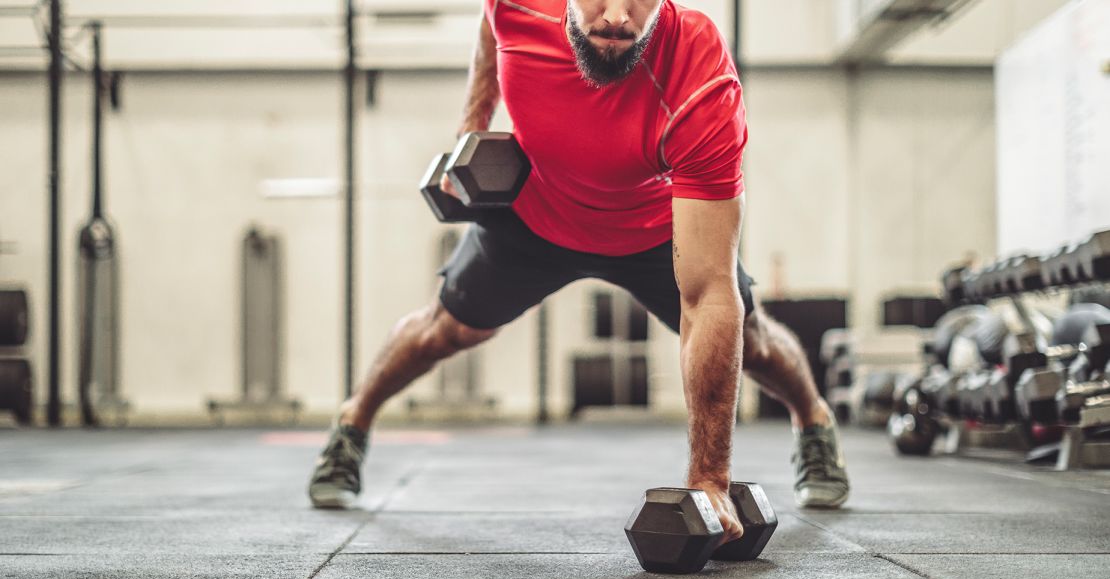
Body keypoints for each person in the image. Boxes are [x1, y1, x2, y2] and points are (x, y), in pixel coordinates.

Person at [309, 0, 850, 539]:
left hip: (653, 231)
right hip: (536, 216)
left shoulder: (700, 76)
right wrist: (472, 121)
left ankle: (813, 420)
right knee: (446, 328)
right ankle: (352, 424)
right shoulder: (516, 5)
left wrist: (710, 480)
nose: (616, 16)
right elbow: (490, 31)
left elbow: (709, 294)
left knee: (749, 340)